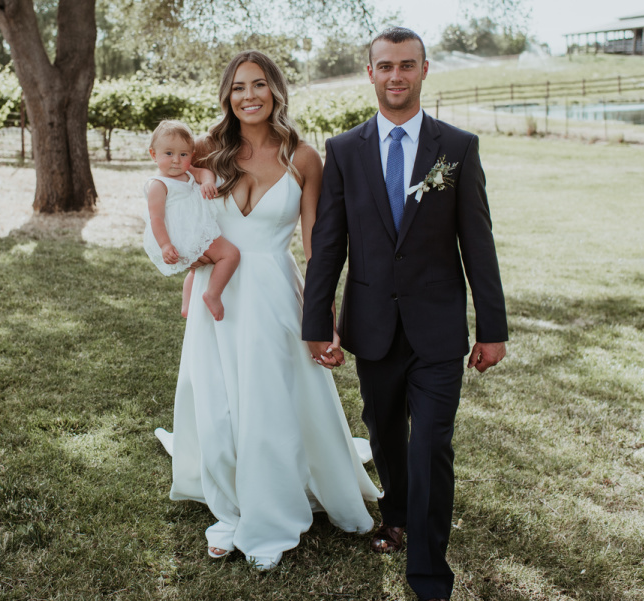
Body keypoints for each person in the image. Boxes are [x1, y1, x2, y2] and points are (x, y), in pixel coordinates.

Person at [302, 27, 509, 601]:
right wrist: (317, 323)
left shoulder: (457, 147)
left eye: (407, 65)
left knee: (431, 445)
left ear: (423, 70)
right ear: (370, 72)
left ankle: (429, 575)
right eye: (386, 65)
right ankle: (395, 514)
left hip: (438, 328)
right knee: (386, 433)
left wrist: (492, 329)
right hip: (373, 325)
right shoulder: (345, 149)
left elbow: (478, 244)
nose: (397, 75)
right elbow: (329, 243)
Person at [159, 50, 380, 571]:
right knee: (217, 407)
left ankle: (272, 515)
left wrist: (323, 315)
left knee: (269, 406)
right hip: (219, 295)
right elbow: (167, 197)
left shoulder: (303, 157)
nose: (249, 95)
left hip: (276, 294)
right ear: (227, 96)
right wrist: (185, 256)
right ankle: (230, 509)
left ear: (276, 90)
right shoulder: (207, 149)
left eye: (258, 84)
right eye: (238, 87)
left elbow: (315, 243)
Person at [143, 120, 240, 321]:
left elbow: (204, 172)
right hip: (185, 234)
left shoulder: (187, 172)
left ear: (192, 155)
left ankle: (187, 305)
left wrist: (207, 182)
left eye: (183, 154)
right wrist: (165, 245)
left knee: (196, 271)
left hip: (190, 232)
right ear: (153, 154)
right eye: (168, 153)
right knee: (230, 255)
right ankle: (212, 294)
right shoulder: (158, 185)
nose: (176, 160)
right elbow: (156, 218)